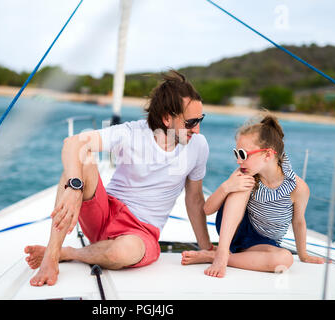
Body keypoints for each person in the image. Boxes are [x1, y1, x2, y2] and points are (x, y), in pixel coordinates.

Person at [25, 70, 213, 286]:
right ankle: (51, 254)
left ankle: (69, 253)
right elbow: (72, 143)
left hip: (141, 232)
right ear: (167, 118)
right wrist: (74, 187)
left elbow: (195, 199)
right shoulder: (132, 133)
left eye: (200, 120)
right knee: (81, 158)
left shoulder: (198, 146)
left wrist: (206, 249)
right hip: (105, 213)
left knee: (121, 253)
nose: (197, 130)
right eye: (191, 123)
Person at [181, 112, 325, 278]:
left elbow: (298, 222)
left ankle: (217, 256)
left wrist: (303, 255)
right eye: (236, 153)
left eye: (243, 154)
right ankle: (221, 253)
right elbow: (207, 210)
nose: (238, 160)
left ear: (268, 155)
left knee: (284, 259)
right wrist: (226, 186)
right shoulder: (246, 173)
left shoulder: (298, 188)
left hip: (262, 243)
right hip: (234, 230)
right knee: (243, 183)